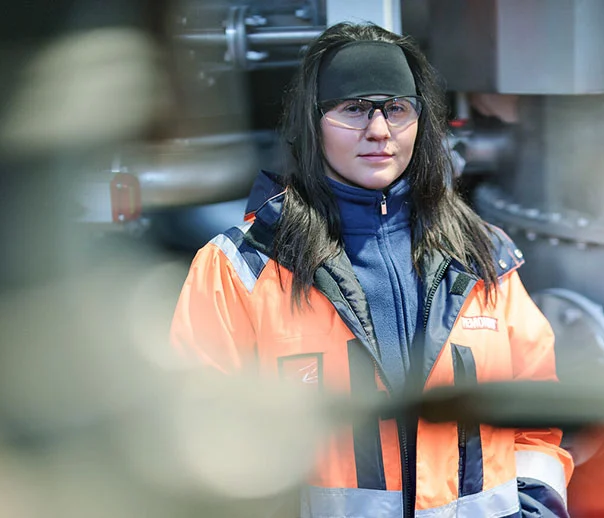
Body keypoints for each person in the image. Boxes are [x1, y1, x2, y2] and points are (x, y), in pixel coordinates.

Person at [170, 22, 573, 517]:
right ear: (311, 123)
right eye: (354, 109)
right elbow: (201, 443)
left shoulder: (483, 257)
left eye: (397, 109)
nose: (379, 131)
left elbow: (536, 425)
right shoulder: (240, 271)